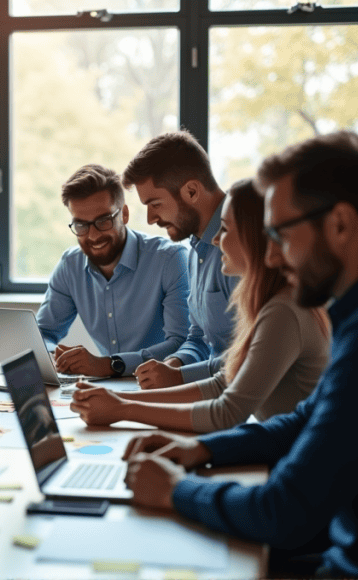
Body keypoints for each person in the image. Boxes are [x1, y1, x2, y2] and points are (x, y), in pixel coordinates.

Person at [122, 131, 358, 577]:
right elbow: (304, 419)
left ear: (340, 225)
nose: (270, 255)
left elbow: (283, 511)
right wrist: (198, 449)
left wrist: (176, 491)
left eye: (280, 234)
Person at [71, 179, 329, 432]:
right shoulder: (270, 302)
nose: (216, 240)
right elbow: (222, 384)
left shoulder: (283, 311)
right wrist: (119, 401)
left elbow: (227, 412)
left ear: (254, 238)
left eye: (225, 229)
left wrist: (122, 410)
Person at [36, 164, 190, 378]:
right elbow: (42, 333)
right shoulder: (70, 266)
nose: (93, 236)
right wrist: (55, 356)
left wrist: (110, 365)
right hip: (107, 388)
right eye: (81, 225)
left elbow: (183, 344)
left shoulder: (170, 260)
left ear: (124, 214)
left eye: (103, 221)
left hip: (164, 387)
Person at [122, 131, 237, 388]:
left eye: (155, 204)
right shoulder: (195, 249)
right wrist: (172, 365)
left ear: (192, 191)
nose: (150, 218)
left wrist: (179, 377)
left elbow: (253, 355)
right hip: (214, 395)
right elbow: (198, 338)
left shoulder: (241, 244)